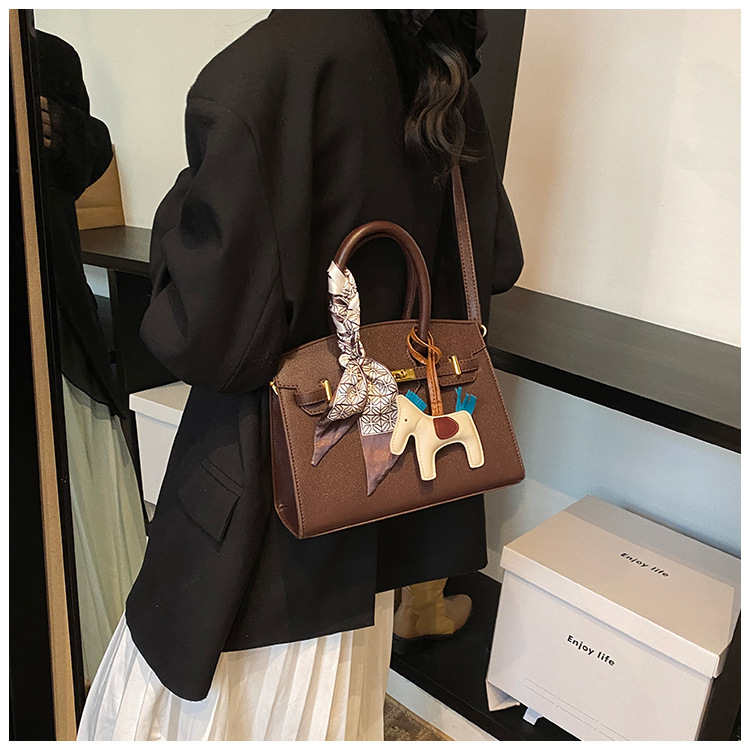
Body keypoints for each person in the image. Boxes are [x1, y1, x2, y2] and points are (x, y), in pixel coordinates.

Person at [77, 9, 523, 741]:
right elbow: (496, 261)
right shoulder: (441, 67)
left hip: (269, 520)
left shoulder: (264, 71)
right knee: (332, 709)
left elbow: (208, 338)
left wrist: (182, 207)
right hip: (380, 496)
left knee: (222, 716)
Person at [36, 29, 147, 687]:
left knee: (76, 476)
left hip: (49, 303)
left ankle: (95, 663)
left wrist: (56, 130)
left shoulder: (44, 55)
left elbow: (91, 152)